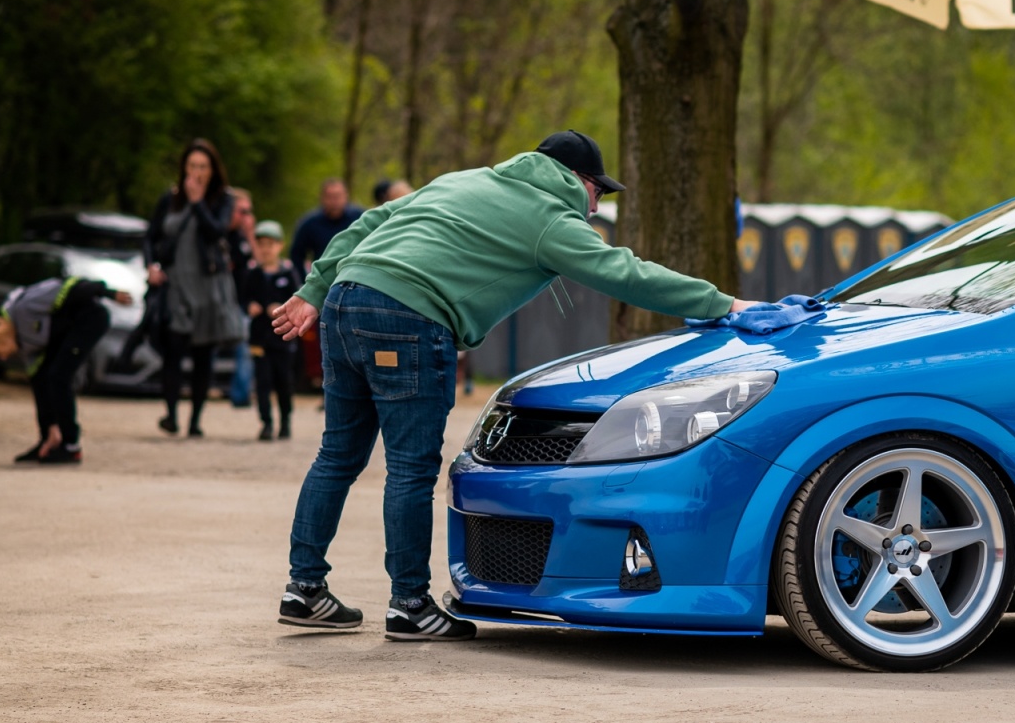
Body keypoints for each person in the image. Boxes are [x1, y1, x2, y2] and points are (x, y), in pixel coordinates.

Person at [269, 130, 756, 640]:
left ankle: (303, 590)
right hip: (408, 317)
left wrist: (314, 289)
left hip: (344, 302)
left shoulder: (464, 181)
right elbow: (624, 273)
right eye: (599, 193)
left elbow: (369, 222)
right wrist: (725, 304)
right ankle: (409, 604)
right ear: (577, 180)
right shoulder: (550, 217)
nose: (596, 206)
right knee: (411, 468)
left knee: (338, 456)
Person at [0, 276, 133, 464]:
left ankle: (71, 447)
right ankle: (48, 442)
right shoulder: (21, 342)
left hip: (89, 318)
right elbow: (39, 383)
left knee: (59, 377)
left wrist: (108, 293)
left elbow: (70, 286)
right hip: (66, 331)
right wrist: (50, 427)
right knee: (43, 379)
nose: (3, 358)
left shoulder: (24, 307)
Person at [145, 139, 246, 438]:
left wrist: (198, 202)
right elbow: (150, 237)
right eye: (192, 166)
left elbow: (216, 231)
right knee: (173, 350)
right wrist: (151, 265)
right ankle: (171, 415)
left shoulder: (224, 199)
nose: (197, 172)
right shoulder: (170, 199)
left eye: (203, 166)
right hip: (176, 285)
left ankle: (195, 421)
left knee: (204, 355)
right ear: (184, 168)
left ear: (213, 170)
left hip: (208, 287)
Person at [242, 220, 298, 441]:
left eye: (270, 244)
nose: (266, 249)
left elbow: (298, 298)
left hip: (282, 338)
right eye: (261, 244)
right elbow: (243, 297)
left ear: (279, 246)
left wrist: (282, 308)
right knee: (262, 381)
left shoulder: (288, 272)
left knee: (283, 381)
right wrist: (249, 306)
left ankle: (285, 421)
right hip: (259, 338)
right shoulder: (253, 274)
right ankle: (266, 423)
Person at [224, 187, 257, 408]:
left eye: (249, 212)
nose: (245, 217)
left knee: (247, 348)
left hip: (244, 304)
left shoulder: (246, 238)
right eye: (241, 211)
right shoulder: (222, 236)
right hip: (225, 303)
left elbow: (261, 262)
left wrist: (251, 235)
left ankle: (240, 395)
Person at [290, 178, 364, 272]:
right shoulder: (309, 223)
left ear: (346, 195)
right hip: (323, 278)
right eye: (330, 197)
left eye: (338, 196)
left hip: (355, 275)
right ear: (322, 198)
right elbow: (296, 254)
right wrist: (304, 279)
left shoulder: (360, 218)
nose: (334, 201)